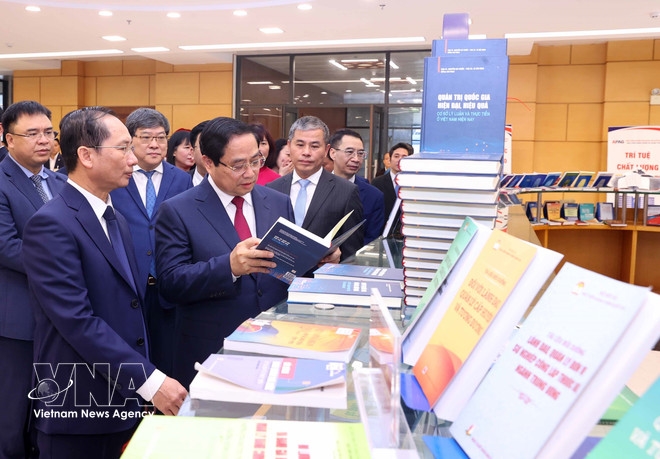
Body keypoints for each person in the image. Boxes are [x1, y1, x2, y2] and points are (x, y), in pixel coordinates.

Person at [22, 107, 187, 458]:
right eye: (123, 148)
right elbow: (77, 320)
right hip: (80, 405)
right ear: (86, 156)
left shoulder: (115, 218)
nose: (133, 159)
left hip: (122, 399)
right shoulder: (51, 224)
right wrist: (150, 381)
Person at [155, 116, 294, 388]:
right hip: (212, 350)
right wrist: (228, 267)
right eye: (238, 165)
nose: (250, 173)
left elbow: (287, 270)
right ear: (208, 162)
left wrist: (315, 259)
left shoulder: (279, 203)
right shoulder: (177, 210)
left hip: (275, 343)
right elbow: (170, 283)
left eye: (256, 161)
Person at [0, 100, 67, 459]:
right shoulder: (2, 182)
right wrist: (66, 264)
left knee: (51, 405)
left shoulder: (60, 181)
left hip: (61, 315)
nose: (43, 140)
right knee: (12, 412)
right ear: (8, 139)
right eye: (32, 134)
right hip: (18, 318)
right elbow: (7, 246)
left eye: (48, 132)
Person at [111, 108, 193, 376]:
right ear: (131, 140)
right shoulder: (115, 177)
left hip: (169, 282)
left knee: (167, 357)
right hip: (129, 282)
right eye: (146, 137)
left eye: (160, 137)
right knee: (131, 357)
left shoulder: (182, 179)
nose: (155, 144)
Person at [267, 116, 364, 262]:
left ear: (326, 150)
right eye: (300, 145)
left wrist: (336, 262)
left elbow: (352, 253)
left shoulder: (346, 192)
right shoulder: (272, 189)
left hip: (322, 274)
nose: (306, 152)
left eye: (314, 146)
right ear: (289, 146)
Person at [329, 129, 385, 245]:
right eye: (349, 152)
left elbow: (372, 239)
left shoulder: (374, 196)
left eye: (360, 154)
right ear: (333, 153)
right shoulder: (315, 187)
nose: (356, 159)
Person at [372, 142, 413, 236]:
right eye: (396, 156)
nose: (400, 159)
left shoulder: (414, 184)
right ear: (390, 159)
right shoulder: (377, 183)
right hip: (382, 233)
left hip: (408, 234)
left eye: (404, 157)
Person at [189, 120, 209, 186]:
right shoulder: (180, 182)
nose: (210, 151)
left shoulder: (234, 184)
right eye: (204, 146)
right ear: (192, 152)